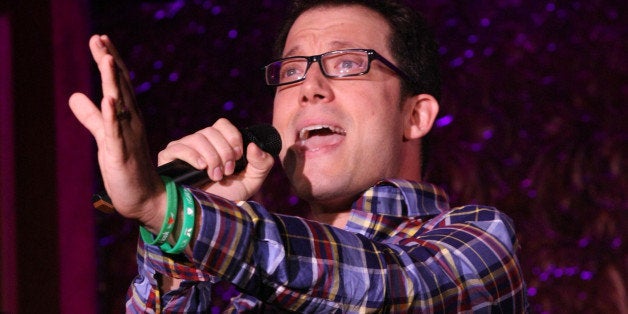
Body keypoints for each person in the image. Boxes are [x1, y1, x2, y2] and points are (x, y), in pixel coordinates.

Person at [69, 0, 528, 312]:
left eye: (348, 63)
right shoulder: (244, 294)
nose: (310, 87)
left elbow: (384, 288)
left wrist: (174, 213)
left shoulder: (479, 243)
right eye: (292, 70)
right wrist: (176, 252)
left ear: (416, 115)